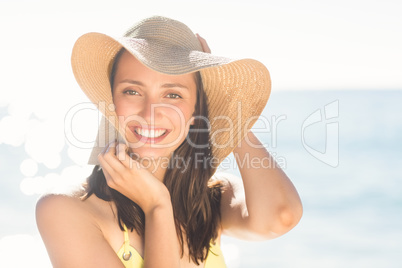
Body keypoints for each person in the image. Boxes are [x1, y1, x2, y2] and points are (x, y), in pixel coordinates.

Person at [36, 16, 302, 268]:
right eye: (132, 91)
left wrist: (226, 106)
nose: (150, 112)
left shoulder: (209, 199)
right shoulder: (66, 210)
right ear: (112, 102)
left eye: (173, 95)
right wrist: (157, 206)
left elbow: (281, 216)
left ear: (198, 112)